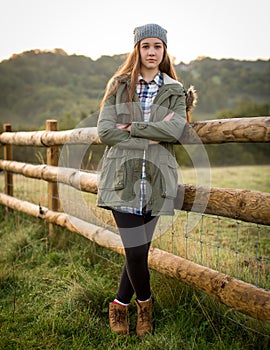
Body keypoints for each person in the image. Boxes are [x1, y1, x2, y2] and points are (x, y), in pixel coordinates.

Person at [97, 23, 194, 337]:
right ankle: (146, 307)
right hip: (122, 178)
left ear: (165, 51)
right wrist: (152, 132)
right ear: (136, 49)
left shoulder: (175, 90)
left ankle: (120, 305)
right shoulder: (120, 84)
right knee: (135, 251)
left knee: (136, 252)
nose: (152, 52)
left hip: (157, 180)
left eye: (158, 46)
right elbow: (105, 131)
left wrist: (134, 128)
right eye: (146, 46)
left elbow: (175, 130)